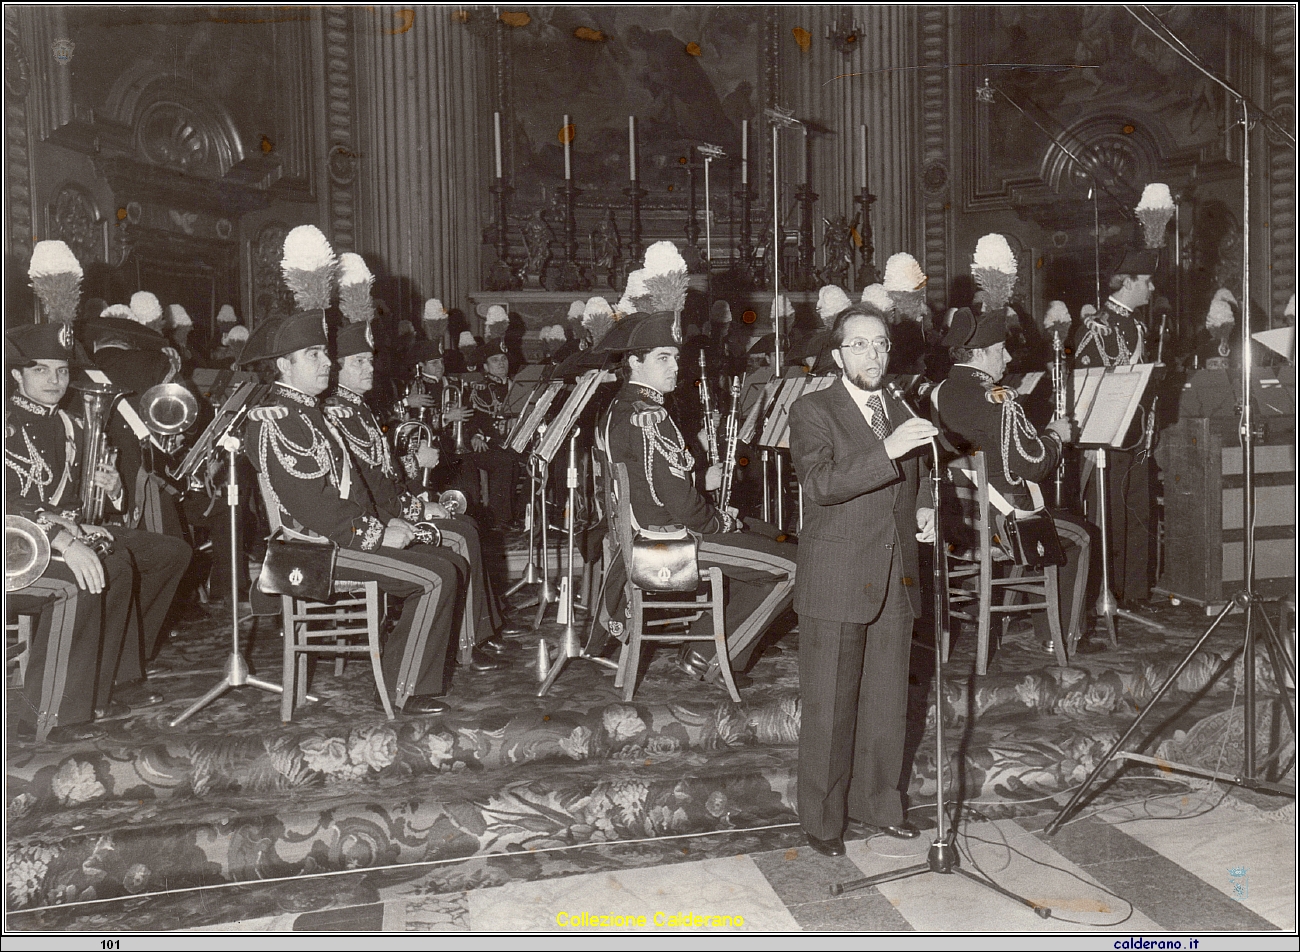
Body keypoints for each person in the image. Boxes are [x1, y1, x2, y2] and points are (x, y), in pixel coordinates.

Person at [239, 310, 465, 716]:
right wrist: (377, 534)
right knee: (435, 576)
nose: (327, 362)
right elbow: (313, 506)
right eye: (313, 355)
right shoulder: (279, 420)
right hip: (314, 553)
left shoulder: (307, 411)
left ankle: (414, 676)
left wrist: (386, 522)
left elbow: (348, 490)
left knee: (446, 558)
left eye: (325, 353)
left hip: (338, 539)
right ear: (282, 366)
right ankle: (400, 688)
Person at [787, 304, 936, 857]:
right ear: (837, 355)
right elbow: (822, 484)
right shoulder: (812, 410)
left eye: (880, 344)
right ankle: (823, 821)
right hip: (838, 575)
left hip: (895, 574)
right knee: (829, 706)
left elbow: (918, 474)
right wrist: (888, 450)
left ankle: (879, 804)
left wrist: (925, 507)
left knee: (886, 703)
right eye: (860, 345)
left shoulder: (898, 405)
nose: (873, 354)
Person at [6, 323, 186, 738]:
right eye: (41, 371)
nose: (55, 381)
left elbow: (75, 501)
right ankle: (45, 717)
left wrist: (114, 491)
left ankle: (107, 684)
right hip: (15, 542)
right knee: (84, 578)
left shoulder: (71, 424)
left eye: (62, 371)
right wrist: (67, 541)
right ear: (17, 375)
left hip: (62, 530)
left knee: (164, 554)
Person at [599, 311, 797, 684]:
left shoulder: (623, 407)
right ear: (634, 362)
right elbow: (678, 501)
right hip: (668, 544)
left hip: (657, 532)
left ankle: (709, 640)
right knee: (794, 567)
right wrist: (722, 521)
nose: (676, 366)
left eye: (675, 357)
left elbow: (655, 480)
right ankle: (712, 656)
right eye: (663, 357)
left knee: (771, 535)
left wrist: (704, 484)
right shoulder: (648, 415)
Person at [324, 318, 512, 671]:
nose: (370, 368)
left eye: (369, 360)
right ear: (337, 369)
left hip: (392, 504)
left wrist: (416, 493)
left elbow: (382, 467)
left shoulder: (358, 407)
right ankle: (470, 642)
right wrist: (415, 501)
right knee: (461, 534)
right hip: (380, 517)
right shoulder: (338, 412)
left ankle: (476, 635)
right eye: (359, 362)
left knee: (467, 526)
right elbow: (368, 481)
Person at [934, 307, 1093, 651]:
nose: (1007, 357)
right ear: (978, 353)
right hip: (1004, 526)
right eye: (999, 349)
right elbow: (1034, 466)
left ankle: (998, 615)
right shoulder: (1000, 402)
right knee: (1080, 536)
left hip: (959, 522)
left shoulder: (939, 392)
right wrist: (1054, 437)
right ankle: (1060, 639)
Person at [1072, 247, 1157, 605]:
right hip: (1107, 438)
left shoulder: (1136, 324)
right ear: (1128, 282)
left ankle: (1135, 593)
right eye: (1147, 282)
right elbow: (1082, 386)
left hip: (1136, 435)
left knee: (1138, 512)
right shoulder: (1097, 327)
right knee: (1110, 516)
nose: (1152, 289)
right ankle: (1108, 593)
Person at [463, 338, 523, 529]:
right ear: (486, 367)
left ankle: (521, 512)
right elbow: (470, 417)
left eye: (503, 359)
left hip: (516, 442)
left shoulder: (520, 386)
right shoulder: (478, 389)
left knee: (539, 461)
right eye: (495, 360)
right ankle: (500, 519)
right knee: (505, 461)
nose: (501, 363)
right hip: (487, 444)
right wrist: (475, 435)